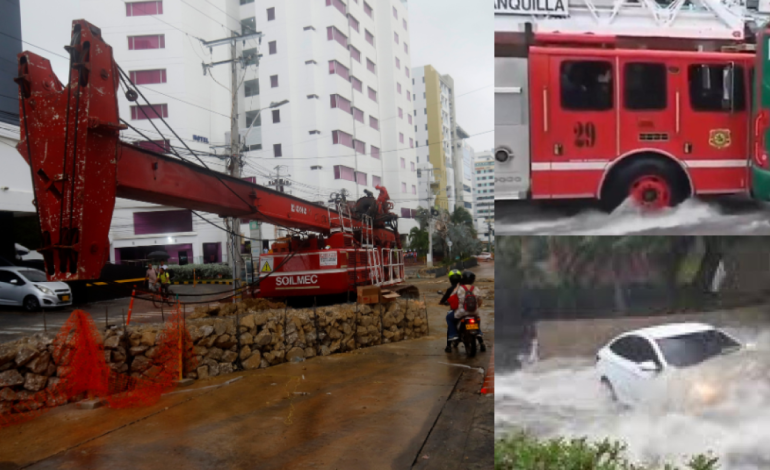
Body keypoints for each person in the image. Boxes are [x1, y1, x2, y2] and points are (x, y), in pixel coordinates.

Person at [445, 270, 486, 353]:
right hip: (474, 312)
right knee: (477, 319)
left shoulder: (459, 289)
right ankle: (479, 336)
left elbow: (452, 298)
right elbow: (480, 301)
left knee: (449, 318)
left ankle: (453, 335)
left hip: (461, 313)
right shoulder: (476, 289)